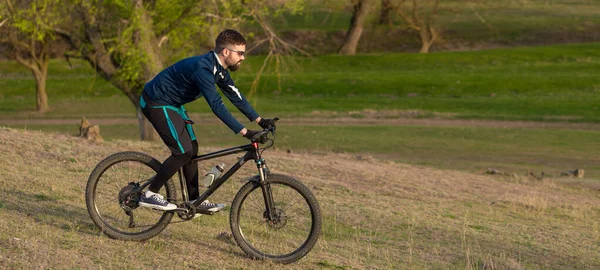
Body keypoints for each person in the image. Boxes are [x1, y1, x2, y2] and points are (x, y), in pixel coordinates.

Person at [138, 29, 277, 213]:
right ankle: (150, 194)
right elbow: (216, 105)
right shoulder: (203, 69)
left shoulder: (219, 69)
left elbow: (236, 97)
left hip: (173, 104)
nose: (243, 57)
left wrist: (260, 121)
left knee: (192, 150)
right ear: (226, 52)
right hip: (156, 101)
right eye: (240, 53)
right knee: (182, 151)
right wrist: (245, 132)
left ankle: (195, 201)